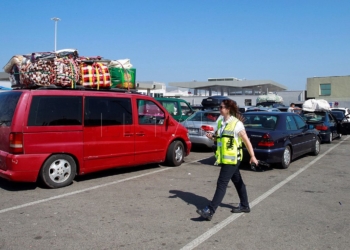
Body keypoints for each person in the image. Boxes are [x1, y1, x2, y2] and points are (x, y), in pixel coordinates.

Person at [196, 99, 259, 221]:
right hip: (225, 158)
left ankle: (210, 210)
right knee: (237, 181)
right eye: (219, 107)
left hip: (233, 159)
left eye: (221, 107)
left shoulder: (237, 124)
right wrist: (212, 137)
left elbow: (247, 141)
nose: (219, 109)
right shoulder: (221, 122)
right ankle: (245, 205)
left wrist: (253, 156)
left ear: (228, 109)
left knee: (221, 183)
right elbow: (220, 139)